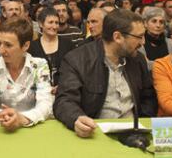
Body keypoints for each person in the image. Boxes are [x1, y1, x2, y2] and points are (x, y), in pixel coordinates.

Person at [53, 9, 157, 138]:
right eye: (139, 37)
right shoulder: (77, 60)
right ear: (117, 37)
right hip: (96, 133)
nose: (143, 43)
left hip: (134, 132)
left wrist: (143, 123)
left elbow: (148, 97)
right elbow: (64, 100)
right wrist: (77, 118)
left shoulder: (137, 59)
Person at [0, 17, 53, 130]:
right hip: (1, 126)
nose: (1, 50)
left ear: (25, 46)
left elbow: (46, 103)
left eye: (8, 45)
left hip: (33, 128)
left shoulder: (40, 65)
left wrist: (22, 119)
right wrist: (1, 116)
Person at [28, 7, 74, 90]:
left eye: (56, 23)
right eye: (50, 22)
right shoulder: (32, 47)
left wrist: (61, 86)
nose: (54, 26)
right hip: (39, 93)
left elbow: (73, 71)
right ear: (41, 24)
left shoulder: (68, 44)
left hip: (65, 92)